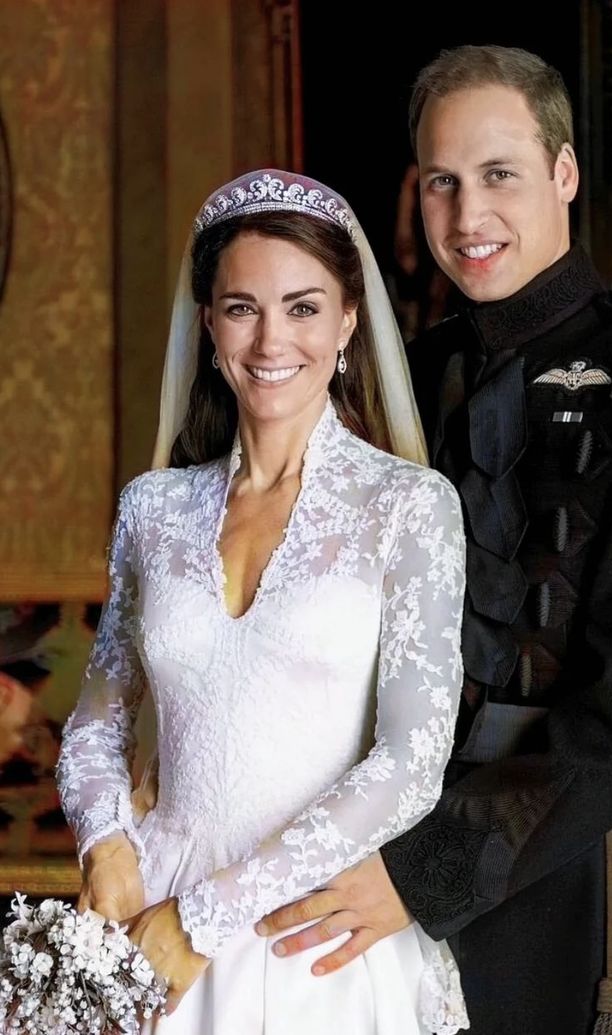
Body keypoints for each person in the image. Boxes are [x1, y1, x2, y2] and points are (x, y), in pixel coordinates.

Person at [255, 46, 612, 1035]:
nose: (467, 217)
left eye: (498, 175)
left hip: (587, 866)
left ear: (562, 173)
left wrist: (425, 873)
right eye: (442, 182)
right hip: (378, 840)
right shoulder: (389, 384)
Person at [56, 169, 470, 1034]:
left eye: (304, 307)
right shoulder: (154, 509)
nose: (271, 337)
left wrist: (204, 919)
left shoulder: (408, 507)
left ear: (350, 320)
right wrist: (106, 845)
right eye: (242, 306)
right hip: (149, 917)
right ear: (208, 325)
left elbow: (410, 762)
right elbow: (99, 720)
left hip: (308, 933)